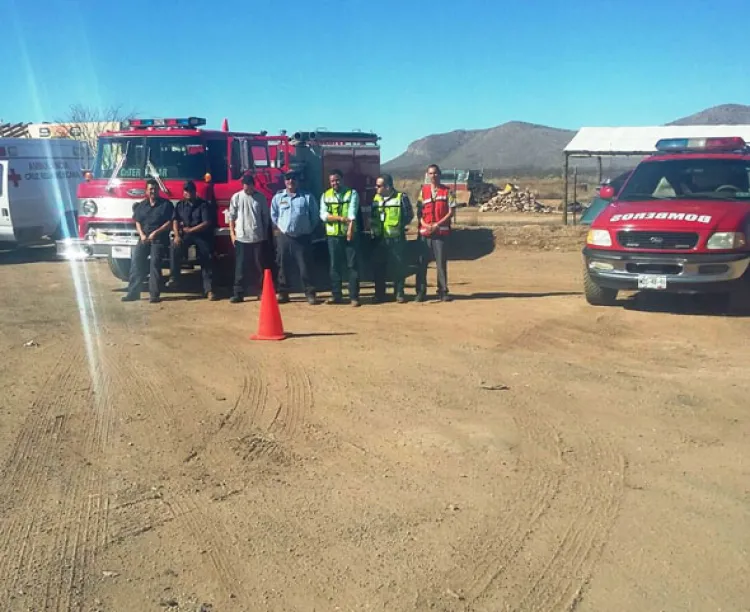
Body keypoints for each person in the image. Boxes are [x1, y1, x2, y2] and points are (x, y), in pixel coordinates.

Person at [270, 170, 320, 305]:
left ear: (297, 181)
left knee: (305, 266)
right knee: (282, 266)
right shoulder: (278, 198)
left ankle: (310, 294)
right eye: (288, 179)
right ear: (284, 181)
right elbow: (274, 215)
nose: (290, 181)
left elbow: (315, 216)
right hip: (284, 237)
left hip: (302, 238)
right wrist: (281, 228)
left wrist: (307, 229)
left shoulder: (307, 197)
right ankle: (283, 293)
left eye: (293, 178)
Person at [122, 179, 175, 303]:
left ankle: (154, 295)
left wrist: (156, 233)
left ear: (159, 190)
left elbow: (170, 222)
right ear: (146, 191)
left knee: (155, 264)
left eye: (155, 189)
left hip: (159, 239)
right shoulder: (142, 205)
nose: (153, 191)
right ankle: (133, 293)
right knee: (136, 261)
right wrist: (141, 235)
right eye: (150, 189)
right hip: (144, 238)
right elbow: (137, 221)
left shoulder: (166, 205)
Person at [168, 180, 216, 300]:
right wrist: (177, 236)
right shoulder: (180, 205)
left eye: (190, 191)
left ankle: (209, 290)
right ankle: (174, 278)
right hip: (186, 235)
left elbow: (206, 223)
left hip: (201, 235)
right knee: (174, 247)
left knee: (206, 256)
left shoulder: (203, 205)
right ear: (184, 192)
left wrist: (191, 230)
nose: (188, 193)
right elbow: (175, 220)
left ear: (195, 192)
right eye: (186, 191)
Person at [415, 164, 456, 302]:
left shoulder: (447, 192)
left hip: (440, 233)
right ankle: (421, 292)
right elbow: (419, 212)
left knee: (441, 263)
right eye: (431, 173)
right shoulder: (423, 191)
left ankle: (443, 291)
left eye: (435, 173)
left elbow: (451, 212)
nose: (433, 176)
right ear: (427, 175)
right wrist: (426, 225)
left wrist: (437, 224)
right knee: (421, 263)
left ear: (440, 174)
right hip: (425, 232)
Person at [370, 173, 413, 303]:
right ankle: (379, 294)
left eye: (378, 185)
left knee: (398, 266)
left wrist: (399, 226)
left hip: (396, 238)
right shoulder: (376, 198)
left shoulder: (401, 197)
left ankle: (399, 293)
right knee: (379, 267)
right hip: (379, 238)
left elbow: (409, 215)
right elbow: (373, 216)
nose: (376, 188)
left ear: (387, 186)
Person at [320, 169, 360, 306]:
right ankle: (336, 295)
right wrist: (340, 218)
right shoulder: (325, 195)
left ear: (342, 180)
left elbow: (352, 213)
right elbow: (323, 215)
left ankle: (354, 297)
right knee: (334, 266)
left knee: (352, 265)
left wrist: (350, 230)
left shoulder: (351, 193)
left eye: (337, 180)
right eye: (332, 181)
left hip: (349, 236)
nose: (334, 183)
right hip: (333, 236)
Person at [228, 174, 271, 303]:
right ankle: (238, 293)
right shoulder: (236, 197)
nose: (246, 188)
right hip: (241, 238)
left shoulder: (261, 198)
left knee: (259, 267)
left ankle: (261, 292)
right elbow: (231, 217)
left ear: (253, 185)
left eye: (248, 185)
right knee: (240, 267)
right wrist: (232, 234)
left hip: (257, 238)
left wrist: (265, 236)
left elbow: (265, 218)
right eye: (244, 185)